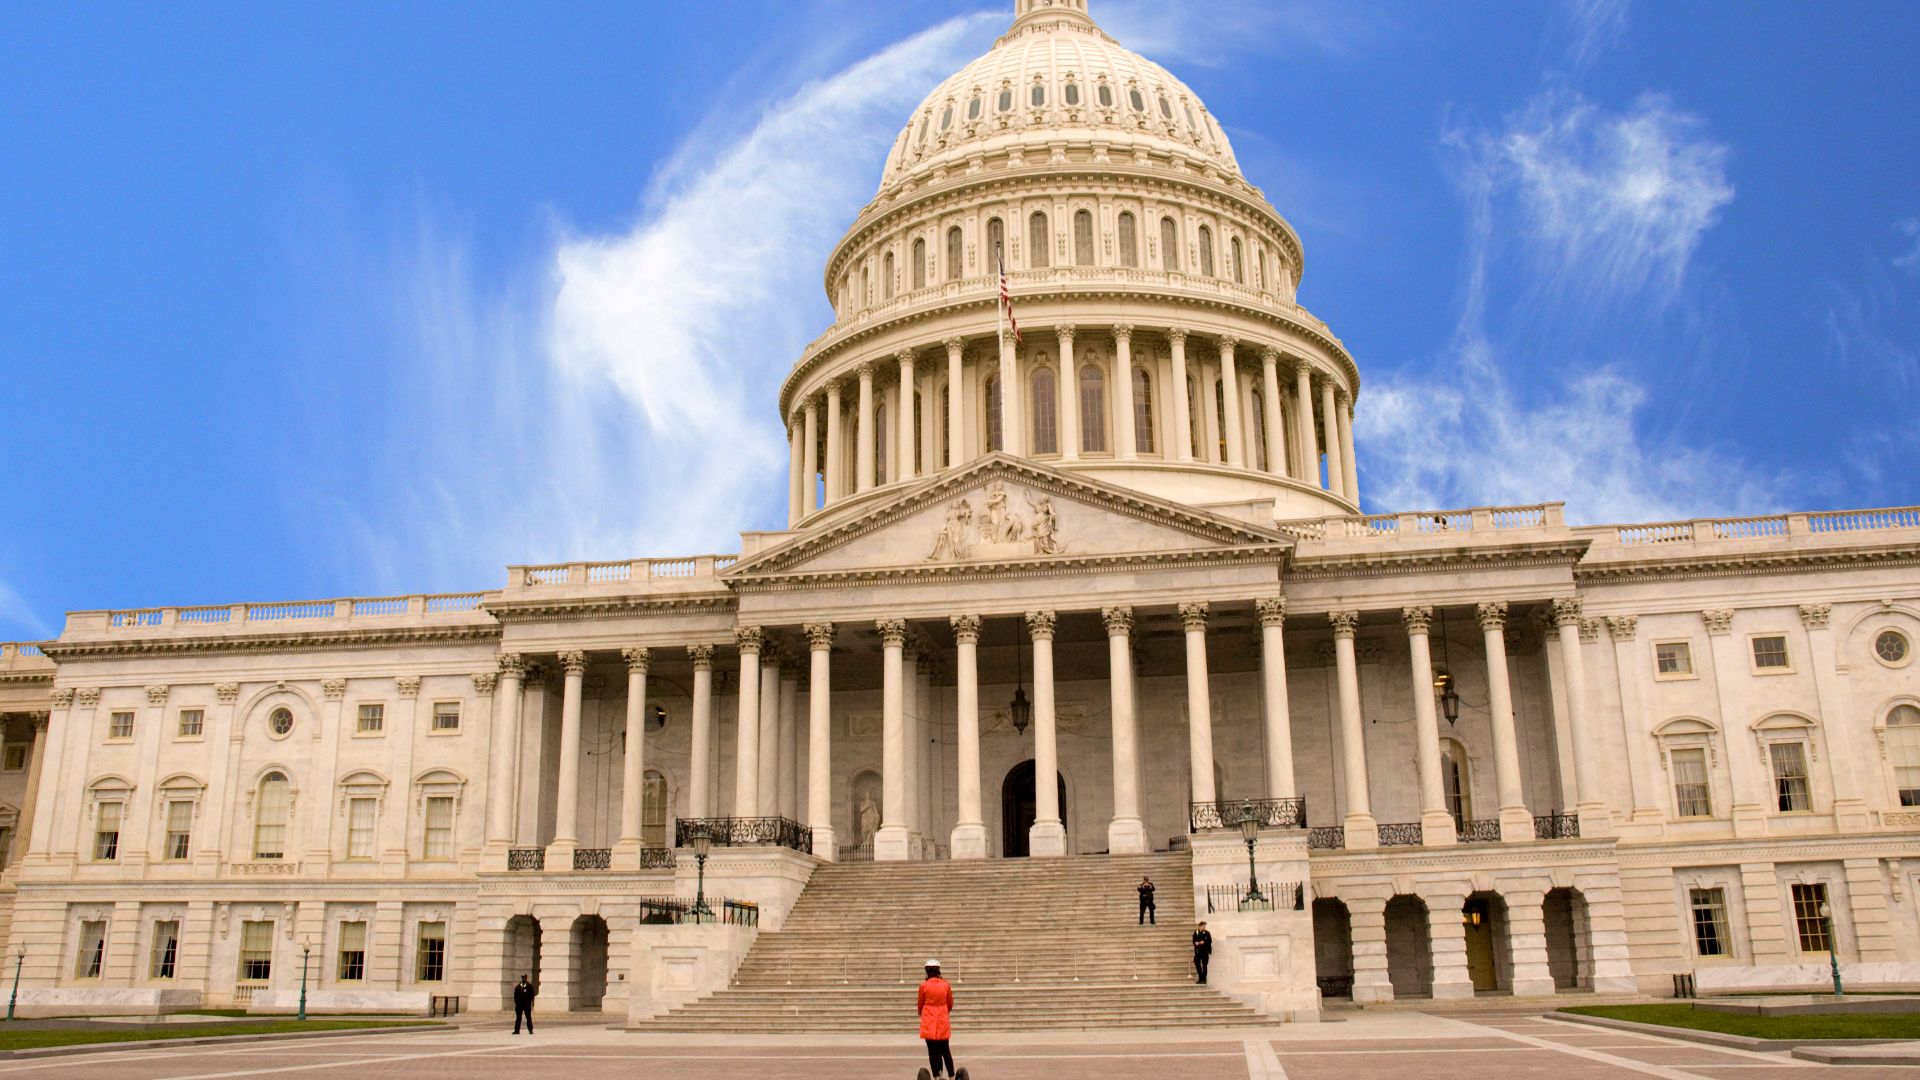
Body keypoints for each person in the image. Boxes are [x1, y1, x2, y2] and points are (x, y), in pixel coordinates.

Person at [917, 959, 956, 1080]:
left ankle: (937, 1076)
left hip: (929, 1021)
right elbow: (950, 1003)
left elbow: (920, 1004)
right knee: (945, 1050)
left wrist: (922, 1014)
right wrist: (944, 1011)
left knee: (933, 1052)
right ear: (938, 970)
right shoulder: (946, 985)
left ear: (927, 971)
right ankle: (951, 1075)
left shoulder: (924, 986)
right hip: (942, 1021)